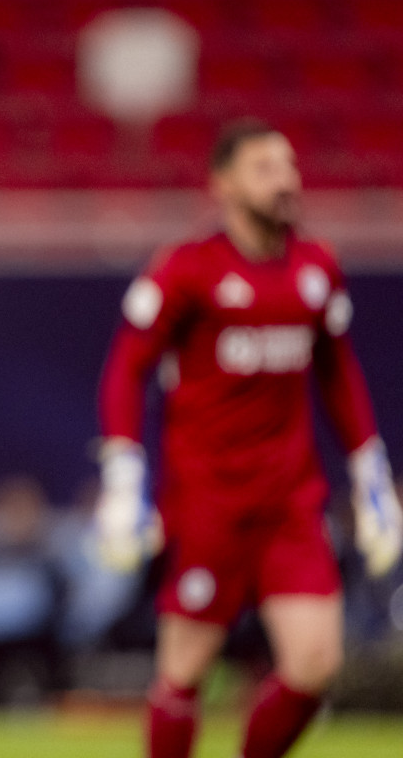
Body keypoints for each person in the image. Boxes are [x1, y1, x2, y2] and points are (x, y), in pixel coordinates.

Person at [95, 118, 403, 758]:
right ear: (224, 185)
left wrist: (371, 473)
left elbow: (339, 374)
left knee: (314, 665)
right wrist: (124, 477)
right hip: (210, 501)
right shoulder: (187, 269)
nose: (286, 181)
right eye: (266, 169)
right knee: (184, 671)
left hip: (292, 503)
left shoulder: (317, 269)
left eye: (289, 167)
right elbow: (127, 368)